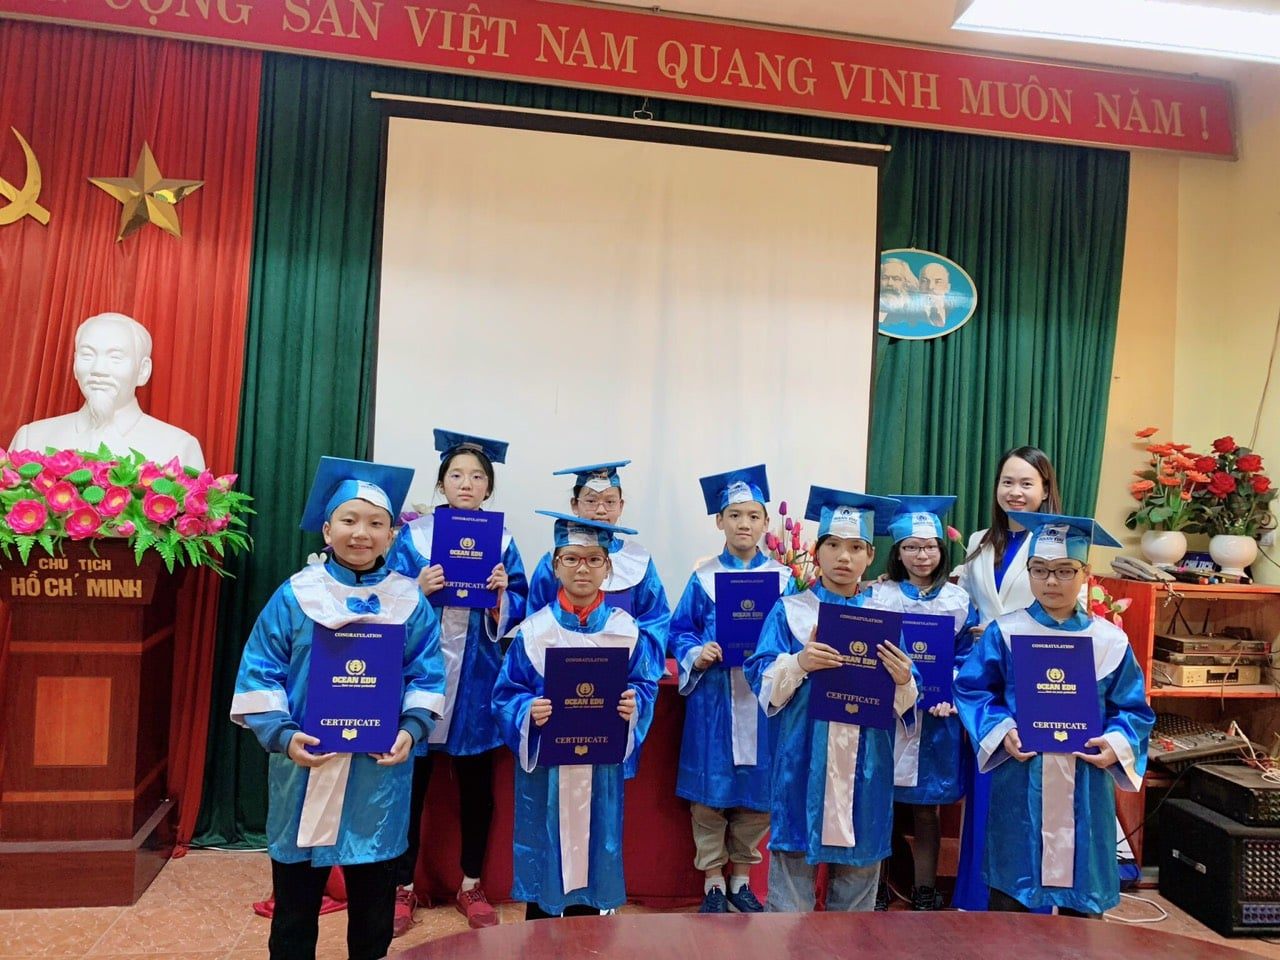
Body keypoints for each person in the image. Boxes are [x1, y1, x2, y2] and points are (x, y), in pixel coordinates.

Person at [230, 457, 445, 960]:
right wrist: (284, 735)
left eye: (375, 523)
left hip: (377, 774)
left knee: (373, 910)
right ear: (327, 530)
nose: (361, 533)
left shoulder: (409, 602)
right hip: (305, 766)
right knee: (294, 909)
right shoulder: (295, 596)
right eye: (349, 520)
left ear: (391, 535)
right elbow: (260, 672)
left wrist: (411, 730)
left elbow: (428, 676)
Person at [953, 513, 1154, 916]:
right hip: (1022, 777)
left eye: (1064, 570)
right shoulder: (1005, 632)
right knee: (1013, 896)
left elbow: (1133, 709)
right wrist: (1002, 729)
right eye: (1039, 569)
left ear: (1085, 573)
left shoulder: (1109, 640)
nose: (1050, 581)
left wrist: (1115, 743)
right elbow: (973, 689)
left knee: (1082, 904)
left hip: (1085, 781)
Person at [744, 488, 918, 912]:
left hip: (866, 769)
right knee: (789, 898)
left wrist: (904, 680)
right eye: (834, 545)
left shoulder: (886, 618)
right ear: (817, 551)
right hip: (804, 762)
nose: (844, 556)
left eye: (856, 547)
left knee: (856, 896)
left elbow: (909, 700)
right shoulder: (790, 611)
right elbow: (761, 679)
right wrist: (799, 662)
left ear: (870, 555)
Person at [385, 429, 528, 932]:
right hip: (419, 678)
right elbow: (386, 601)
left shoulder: (502, 540)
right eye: (457, 475)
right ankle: (401, 886)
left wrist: (502, 596)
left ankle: (472, 883)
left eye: (477, 477)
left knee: (476, 791)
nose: (467, 483)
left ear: (489, 487)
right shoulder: (414, 537)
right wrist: (416, 589)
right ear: (442, 482)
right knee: (410, 788)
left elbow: (522, 606)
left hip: (477, 683)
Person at [492, 511, 659, 919]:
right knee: (545, 866)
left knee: (593, 865)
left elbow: (644, 684)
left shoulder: (626, 630)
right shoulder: (533, 632)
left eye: (593, 559)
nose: (582, 568)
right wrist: (527, 711)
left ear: (608, 568)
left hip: (599, 771)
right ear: (555, 566)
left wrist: (634, 704)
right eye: (571, 558)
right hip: (546, 776)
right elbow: (506, 695)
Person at [668, 465, 791, 914]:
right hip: (715, 699)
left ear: (765, 523)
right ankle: (713, 883)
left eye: (753, 516)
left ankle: (742, 878)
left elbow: (796, 637)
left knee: (758, 794)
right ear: (719, 521)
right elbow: (678, 631)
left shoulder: (784, 579)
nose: (744, 524)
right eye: (735, 515)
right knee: (710, 795)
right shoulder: (703, 578)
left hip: (763, 702)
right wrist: (696, 652)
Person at [951, 445, 1062, 911]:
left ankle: (1027, 905)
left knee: (1026, 794)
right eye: (1007, 482)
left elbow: (1064, 611)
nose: (1015, 492)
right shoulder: (980, 542)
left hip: (1034, 680)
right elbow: (965, 603)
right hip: (984, 685)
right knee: (985, 789)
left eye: (1026, 483)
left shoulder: (1056, 542)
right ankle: (976, 901)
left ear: (1045, 490)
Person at [525, 460, 670, 778]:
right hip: (558, 689)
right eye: (591, 500)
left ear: (621, 506)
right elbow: (533, 624)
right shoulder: (553, 561)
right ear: (574, 504)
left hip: (617, 686)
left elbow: (656, 619)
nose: (601, 509)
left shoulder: (639, 561)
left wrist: (628, 662)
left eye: (609, 501)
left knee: (605, 770)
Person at [867, 495, 977, 911]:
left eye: (929, 546)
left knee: (927, 808)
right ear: (897, 552)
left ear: (941, 550)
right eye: (911, 547)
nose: (922, 555)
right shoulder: (880, 595)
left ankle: (924, 890)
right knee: (880, 803)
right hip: (888, 716)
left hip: (935, 719)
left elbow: (968, 658)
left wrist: (950, 690)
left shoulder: (958, 600)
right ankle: (875, 886)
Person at [10, 311, 205, 467]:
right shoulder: (31, 439)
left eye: (115, 358)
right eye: (87, 355)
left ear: (143, 370)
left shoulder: (178, 449)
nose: (98, 369)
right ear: (75, 365)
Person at [878, 259, 927, 329]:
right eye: (885, 278)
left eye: (896, 279)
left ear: (906, 283)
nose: (890, 283)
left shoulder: (914, 316)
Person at [917, 263, 954, 328]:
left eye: (938, 282)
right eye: (925, 281)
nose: (930, 287)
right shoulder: (908, 313)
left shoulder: (955, 310)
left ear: (947, 288)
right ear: (919, 285)